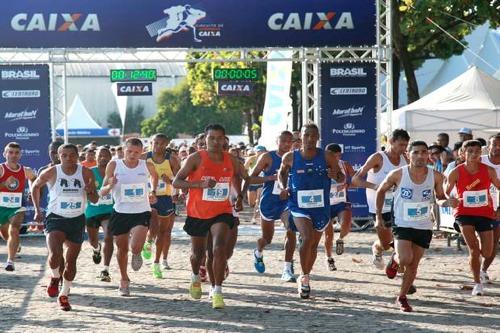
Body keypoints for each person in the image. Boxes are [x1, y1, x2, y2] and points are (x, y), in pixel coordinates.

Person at [173, 124, 244, 309]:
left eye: (219, 138)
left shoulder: (231, 160)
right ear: (205, 139)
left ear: (224, 140)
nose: (215, 141)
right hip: (198, 212)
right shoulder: (196, 158)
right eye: (211, 138)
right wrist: (199, 184)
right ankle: (195, 276)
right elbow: (177, 181)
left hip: (222, 211)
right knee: (197, 255)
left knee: (218, 249)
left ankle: (217, 290)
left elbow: (244, 176)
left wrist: (240, 196)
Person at [376, 141, 450, 312]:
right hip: (402, 223)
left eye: (424, 152)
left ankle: (402, 297)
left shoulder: (436, 176)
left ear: (428, 155)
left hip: (424, 225)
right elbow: (380, 191)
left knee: (413, 264)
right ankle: (395, 260)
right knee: (404, 259)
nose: (420, 156)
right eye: (415, 152)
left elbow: (439, 197)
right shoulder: (398, 174)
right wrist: (379, 217)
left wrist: (447, 202)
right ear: (407, 155)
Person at [278, 123, 343, 298]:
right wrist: (283, 187)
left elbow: (341, 176)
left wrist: (334, 175)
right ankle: (304, 278)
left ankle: (305, 274)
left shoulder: (327, 156)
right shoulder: (290, 157)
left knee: (313, 245)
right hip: (298, 205)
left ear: (318, 137)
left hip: (321, 207)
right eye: (307, 135)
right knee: (306, 238)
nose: (310, 139)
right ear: (301, 138)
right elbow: (282, 173)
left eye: (314, 136)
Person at [32, 143, 98, 311]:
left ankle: (64, 294)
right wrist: (37, 209)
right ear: (59, 156)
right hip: (55, 217)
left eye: (72, 155)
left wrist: (91, 191)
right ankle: (55, 277)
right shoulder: (52, 171)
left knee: (70, 262)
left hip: (76, 219)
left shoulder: (86, 172)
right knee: (55, 254)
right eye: (64, 155)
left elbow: (95, 200)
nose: (68, 158)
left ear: (78, 156)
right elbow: (35, 186)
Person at [99, 138, 158, 296]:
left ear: (141, 152)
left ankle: (137, 253)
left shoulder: (146, 165)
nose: (133, 155)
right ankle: (124, 280)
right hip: (121, 212)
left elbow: (154, 177)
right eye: (130, 151)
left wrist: (152, 191)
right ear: (124, 150)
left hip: (141, 211)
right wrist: (110, 185)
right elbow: (102, 191)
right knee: (122, 249)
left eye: (137, 152)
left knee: (135, 247)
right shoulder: (114, 165)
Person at [445, 139, 500, 296]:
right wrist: (450, 199)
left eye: (477, 151)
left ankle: (479, 268)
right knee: (474, 249)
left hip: (485, 213)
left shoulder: (489, 170)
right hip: (464, 213)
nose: (474, 154)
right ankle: (477, 283)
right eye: (470, 151)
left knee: (488, 252)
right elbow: (444, 190)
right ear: (463, 154)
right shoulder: (456, 171)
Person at [352, 129, 410, 269]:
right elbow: (355, 180)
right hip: (379, 206)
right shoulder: (378, 158)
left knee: (401, 240)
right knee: (386, 244)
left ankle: (401, 270)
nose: (404, 148)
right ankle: (377, 248)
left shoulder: (406, 158)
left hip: (398, 205)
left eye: (406, 145)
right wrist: (376, 186)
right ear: (391, 142)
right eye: (401, 145)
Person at [243, 131, 297, 282]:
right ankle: (258, 251)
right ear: (277, 141)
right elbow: (250, 179)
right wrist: (271, 178)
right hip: (269, 202)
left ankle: (287, 269)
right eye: (283, 141)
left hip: (287, 201)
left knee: (291, 230)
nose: (286, 144)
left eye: (289, 141)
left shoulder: (295, 158)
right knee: (267, 239)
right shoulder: (267, 157)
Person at [142, 134, 180, 278]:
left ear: (166, 145)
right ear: (151, 143)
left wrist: (169, 180)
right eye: (155, 143)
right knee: (153, 225)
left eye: (161, 144)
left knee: (164, 232)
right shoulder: (143, 157)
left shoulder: (171, 159)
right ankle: (148, 240)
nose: (158, 146)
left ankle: (157, 263)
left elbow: (179, 180)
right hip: (147, 196)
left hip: (165, 197)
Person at [0, 142, 37, 271]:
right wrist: (4, 183)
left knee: (14, 229)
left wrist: (32, 191)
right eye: (10, 152)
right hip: (1, 207)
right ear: (5, 154)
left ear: (20, 155)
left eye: (16, 153)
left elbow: (34, 179)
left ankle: (10, 261)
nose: (13, 155)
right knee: (5, 234)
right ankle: (16, 245)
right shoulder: (1, 169)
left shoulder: (25, 170)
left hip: (17, 206)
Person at [323, 143, 356, 271]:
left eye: (338, 156)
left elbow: (356, 179)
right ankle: (329, 258)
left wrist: (346, 185)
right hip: (326, 202)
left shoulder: (344, 164)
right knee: (328, 234)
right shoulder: (321, 165)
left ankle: (341, 238)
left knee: (346, 225)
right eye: (333, 156)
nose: (336, 159)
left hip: (341, 200)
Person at [84, 147, 114, 282]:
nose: (103, 158)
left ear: (110, 157)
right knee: (93, 241)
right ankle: (96, 249)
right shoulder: (90, 172)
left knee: (109, 236)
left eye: (106, 156)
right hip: (92, 211)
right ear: (95, 158)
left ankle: (106, 269)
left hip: (109, 210)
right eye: (100, 156)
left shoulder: (114, 172)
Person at [479, 134, 500, 283]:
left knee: (492, 245)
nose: (498, 148)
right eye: (495, 145)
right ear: (488, 146)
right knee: (479, 245)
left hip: (496, 210)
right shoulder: (479, 161)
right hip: (476, 208)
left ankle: (482, 270)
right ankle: (476, 267)